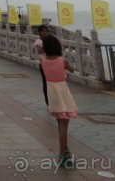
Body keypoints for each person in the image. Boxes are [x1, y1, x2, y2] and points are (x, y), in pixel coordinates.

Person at [40, 35, 78, 168]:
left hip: (52, 93)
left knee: (59, 123)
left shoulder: (42, 60)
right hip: (62, 92)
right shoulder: (63, 61)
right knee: (64, 126)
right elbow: (72, 69)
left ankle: (65, 151)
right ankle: (62, 155)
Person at [35, 24, 50, 105]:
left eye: (46, 31)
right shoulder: (38, 41)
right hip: (43, 64)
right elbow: (39, 51)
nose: (44, 33)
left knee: (51, 82)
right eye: (43, 31)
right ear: (40, 32)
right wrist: (48, 48)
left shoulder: (48, 40)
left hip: (51, 64)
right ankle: (47, 100)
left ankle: (52, 99)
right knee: (45, 82)